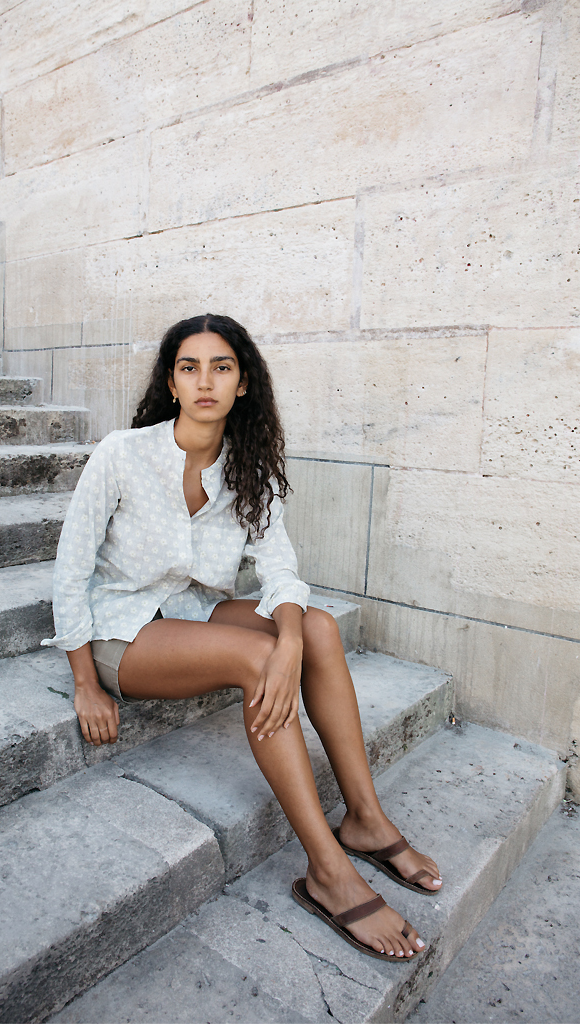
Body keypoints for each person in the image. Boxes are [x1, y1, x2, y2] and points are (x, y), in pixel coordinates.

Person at [43, 313, 442, 962]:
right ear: (171, 383)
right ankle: (328, 872)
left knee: (315, 627)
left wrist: (292, 643)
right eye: (189, 367)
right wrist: (84, 682)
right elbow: (70, 568)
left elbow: (281, 569)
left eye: (221, 367)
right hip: (121, 631)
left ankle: (365, 819)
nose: (205, 381)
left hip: (193, 613)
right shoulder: (123, 453)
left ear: (243, 382)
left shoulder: (248, 466)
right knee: (260, 657)